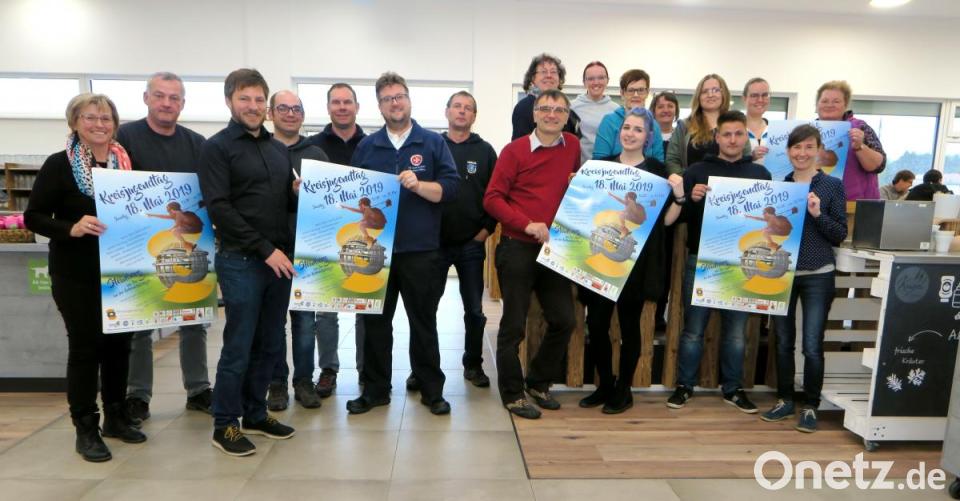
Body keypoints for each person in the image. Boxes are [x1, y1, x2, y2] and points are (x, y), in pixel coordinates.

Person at [25, 93, 146, 462]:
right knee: (85, 348)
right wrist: (71, 227)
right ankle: (86, 426)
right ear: (75, 122)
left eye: (106, 118)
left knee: (119, 347)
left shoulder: (128, 164)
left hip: (122, 271)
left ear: (115, 124)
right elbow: (33, 217)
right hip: (76, 273)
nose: (99, 124)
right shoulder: (59, 165)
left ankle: (116, 417)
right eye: (90, 117)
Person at [346, 72, 460, 416]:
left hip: (420, 250)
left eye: (399, 96)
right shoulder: (367, 147)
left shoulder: (432, 143)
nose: (394, 103)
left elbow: (450, 189)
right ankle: (375, 390)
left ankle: (431, 390)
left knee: (423, 323)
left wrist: (419, 185)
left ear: (409, 100)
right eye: (387, 99)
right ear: (379, 106)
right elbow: (352, 193)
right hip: (375, 252)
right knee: (374, 325)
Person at [199, 69, 297, 457]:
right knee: (239, 345)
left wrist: (296, 194)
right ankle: (225, 423)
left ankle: (255, 413)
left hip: (278, 263)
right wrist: (265, 249)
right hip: (241, 260)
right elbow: (219, 208)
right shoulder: (217, 148)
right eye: (245, 98)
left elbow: (280, 205)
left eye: (259, 99)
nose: (253, 106)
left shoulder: (278, 149)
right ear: (229, 101)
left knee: (270, 343)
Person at [117, 72, 212, 422]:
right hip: (135, 243)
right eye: (159, 95)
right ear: (146, 98)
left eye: (174, 98)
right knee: (140, 323)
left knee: (193, 318)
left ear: (183, 103)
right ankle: (137, 395)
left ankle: (198, 390)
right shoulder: (123, 138)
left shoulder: (197, 144)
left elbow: (208, 191)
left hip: (186, 243)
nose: (167, 103)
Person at [578, 109, 685, 414]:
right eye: (627, 127)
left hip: (635, 263)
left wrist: (679, 197)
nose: (630, 133)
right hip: (602, 259)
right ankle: (605, 385)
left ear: (648, 136)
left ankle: (623, 390)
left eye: (638, 129)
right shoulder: (602, 167)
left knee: (629, 327)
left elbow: (666, 221)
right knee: (596, 324)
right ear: (619, 132)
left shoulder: (658, 171)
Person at [666, 110, 771, 413]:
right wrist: (692, 198)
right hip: (703, 260)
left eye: (738, 134)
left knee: (736, 333)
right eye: (727, 134)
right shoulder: (697, 171)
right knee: (693, 330)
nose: (733, 140)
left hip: (744, 264)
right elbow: (677, 218)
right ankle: (684, 386)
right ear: (717, 137)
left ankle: (733, 389)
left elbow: (768, 219)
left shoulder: (761, 175)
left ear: (745, 137)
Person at [484, 89, 580, 419]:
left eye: (559, 110)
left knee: (564, 320)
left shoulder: (573, 147)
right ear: (534, 113)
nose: (552, 115)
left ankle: (538, 383)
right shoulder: (514, 151)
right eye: (545, 109)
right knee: (514, 325)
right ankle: (512, 394)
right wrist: (526, 224)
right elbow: (492, 199)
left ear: (567, 117)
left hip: (555, 250)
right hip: (517, 247)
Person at [760, 124, 847, 433]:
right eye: (797, 147)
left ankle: (810, 405)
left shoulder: (832, 186)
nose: (802, 153)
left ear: (819, 150)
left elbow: (839, 234)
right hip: (782, 274)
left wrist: (818, 214)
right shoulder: (780, 187)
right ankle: (785, 400)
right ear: (788, 152)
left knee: (812, 344)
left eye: (809, 147)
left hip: (818, 274)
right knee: (783, 341)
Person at [264, 90, 332, 411]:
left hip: (308, 250)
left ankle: (304, 381)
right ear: (270, 113)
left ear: (303, 115)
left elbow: (329, 202)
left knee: (305, 322)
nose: (290, 113)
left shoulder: (316, 153)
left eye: (296, 108)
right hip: (271, 251)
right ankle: (276, 383)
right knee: (273, 323)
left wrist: (306, 196)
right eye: (283, 108)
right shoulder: (261, 149)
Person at [305, 82, 367, 397]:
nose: (342, 107)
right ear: (328, 107)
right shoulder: (312, 147)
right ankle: (328, 370)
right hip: (324, 237)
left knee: (365, 306)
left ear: (357, 107)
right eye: (336, 102)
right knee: (325, 310)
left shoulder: (372, 145)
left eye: (347, 102)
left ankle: (367, 370)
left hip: (362, 237)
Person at [438, 90, 498, 388]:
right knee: (425, 310)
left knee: (474, 310)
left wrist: (485, 232)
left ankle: (473, 365)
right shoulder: (434, 146)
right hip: (434, 245)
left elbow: (497, 195)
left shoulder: (485, 151)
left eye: (468, 108)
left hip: (471, 244)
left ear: (474, 116)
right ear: (447, 111)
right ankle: (423, 368)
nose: (462, 111)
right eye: (457, 106)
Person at [666, 74, 754, 176]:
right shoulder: (684, 126)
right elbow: (672, 160)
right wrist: (685, 181)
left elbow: (746, 158)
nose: (710, 95)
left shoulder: (737, 124)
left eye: (715, 90)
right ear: (698, 97)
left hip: (729, 185)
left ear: (723, 94)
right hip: (691, 185)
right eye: (705, 91)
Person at [815, 80, 886, 201]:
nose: (829, 105)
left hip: (855, 205)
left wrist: (860, 147)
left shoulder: (860, 127)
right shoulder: (807, 131)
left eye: (836, 101)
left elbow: (879, 166)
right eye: (824, 101)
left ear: (845, 105)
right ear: (817, 105)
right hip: (816, 204)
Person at [593, 69, 665, 161]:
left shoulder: (654, 125)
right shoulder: (609, 122)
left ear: (647, 93)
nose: (636, 95)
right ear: (622, 93)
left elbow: (659, 162)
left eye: (641, 90)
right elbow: (599, 160)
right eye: (631, 90)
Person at [511, 53, 581, 140]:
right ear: (533, 78)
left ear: (559, 78)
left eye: (553, 72)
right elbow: (520, 145)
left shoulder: (568, 109)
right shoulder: (524, 107)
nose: (549, 75)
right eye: (543, 72)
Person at [570, 61, 619, 164]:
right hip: (579, 168)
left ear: (607, 80)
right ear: (584, 82)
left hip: (608, 168)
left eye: (601, 78)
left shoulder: (616, 110)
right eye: (591, 78)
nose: (596, 82)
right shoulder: (571, 107)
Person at [743, 77, 771, 164]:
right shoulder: (733, 130)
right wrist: (750, 157)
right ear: (744, 99)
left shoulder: (777, 132)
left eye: (765, 95)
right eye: (754, 95)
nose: (760, 100)